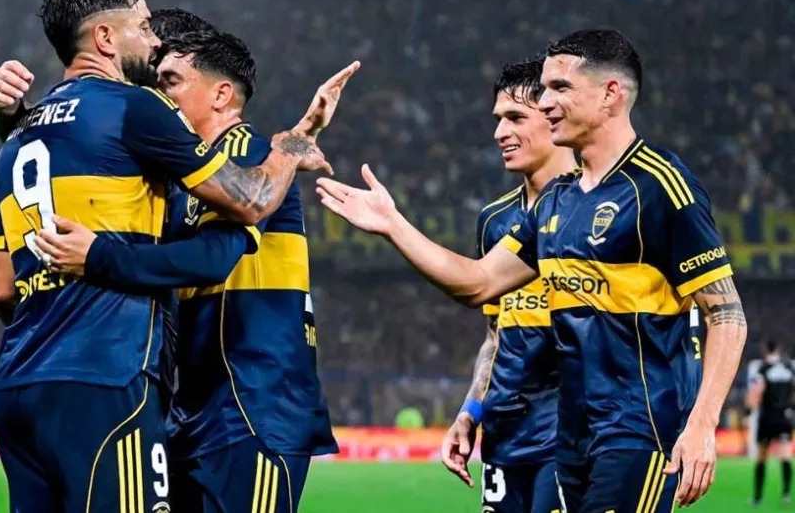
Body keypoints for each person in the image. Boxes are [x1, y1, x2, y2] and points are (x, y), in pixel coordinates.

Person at [316, 28, 747, 511]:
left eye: (560, 88)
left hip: (639, 432)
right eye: (543, 90)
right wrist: (393, 225)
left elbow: (727, 314)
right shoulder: (557, 200)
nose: (545, 102)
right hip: (574, 439)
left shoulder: (660, 186)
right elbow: (479, 283)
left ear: (610, 94)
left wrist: (702, 423)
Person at [0, 8, 356, 513]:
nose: (159, 96)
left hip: (255, 406)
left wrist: (98, 256)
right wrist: (14, 119)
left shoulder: (245, 152)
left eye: (171, 82)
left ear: (221, 95)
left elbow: (215, 256)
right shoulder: (178, 180)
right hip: (193, 408)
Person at [441, 57, 576, 512]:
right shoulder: (494, 220)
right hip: (504, 438)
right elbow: (495, 337)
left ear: (554, 116)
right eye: (498, 119)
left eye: (516, 118)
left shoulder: (595, 208)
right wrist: (471, 412)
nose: (500, 132)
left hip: (569, 435)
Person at [746, 340, 795, 506]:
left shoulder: (764, 368)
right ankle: (786, 494)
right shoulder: (788, 368)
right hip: (785, 416)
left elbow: (757, 391)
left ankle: (757, 497)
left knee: (761, 457)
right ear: (779, 350)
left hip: (767, 417)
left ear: (765, 350)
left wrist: (748, 412)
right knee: (785, 455)